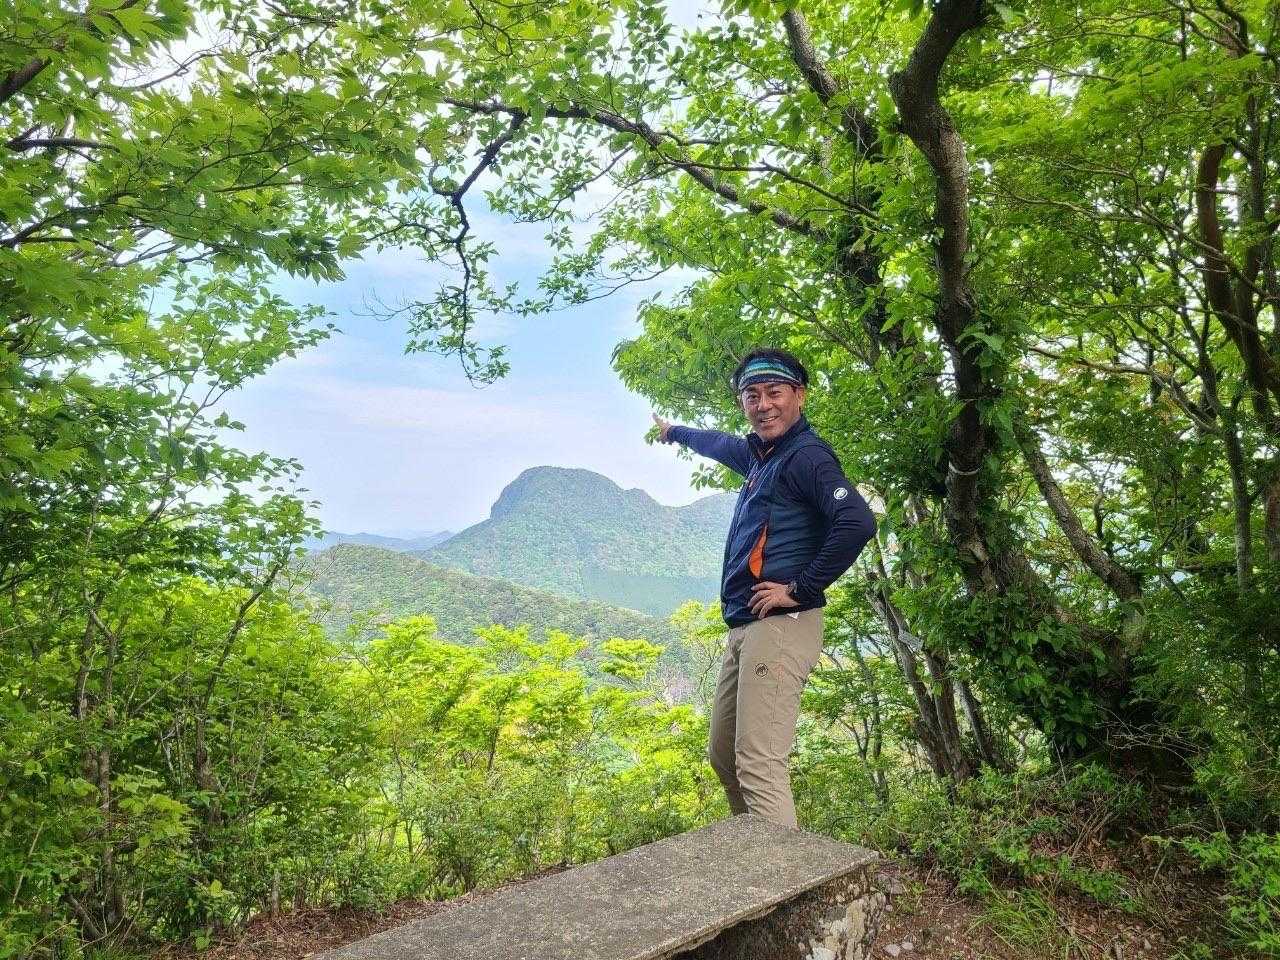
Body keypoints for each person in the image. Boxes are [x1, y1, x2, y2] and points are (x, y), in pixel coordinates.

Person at [653, 348, 876, 828]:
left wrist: (799, 588)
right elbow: (717, 443)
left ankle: (787, 872)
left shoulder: (806, 456)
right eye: (751, 396)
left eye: (774, 392)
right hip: (747, 625)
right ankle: (756, 856)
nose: (763, 405)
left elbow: (857, 522)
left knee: (758, 763)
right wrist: (675, 432)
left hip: (782, 625)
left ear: (799, 395)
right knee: (724, 756)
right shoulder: (761, 456)